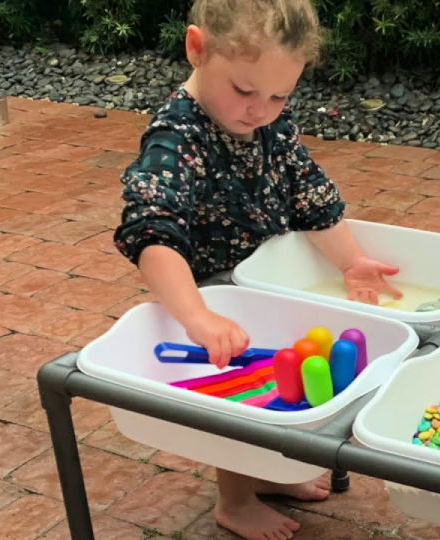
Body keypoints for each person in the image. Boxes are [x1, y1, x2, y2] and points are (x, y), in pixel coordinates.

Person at [113, 1, 402, 538]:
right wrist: (198, 315)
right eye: (245, 91)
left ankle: (268, 474)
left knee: (281, 380)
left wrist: (353, 260)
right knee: (238, 406)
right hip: (217, 297)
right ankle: (236, 499)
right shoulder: (177, 137)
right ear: (197, 48)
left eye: (280, 95)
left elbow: (308, 193)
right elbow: (150, 230)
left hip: (262, 280)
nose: (260, 110)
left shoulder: (268, 120)